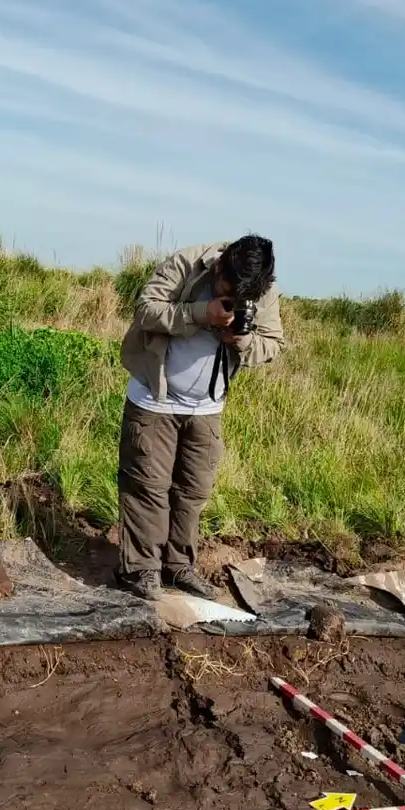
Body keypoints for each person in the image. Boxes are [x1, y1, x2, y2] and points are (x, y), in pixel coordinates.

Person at [115, 234, 284, 601]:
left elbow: (272, 344)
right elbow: (145, 310)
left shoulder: (262, 289)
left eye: (243, 298)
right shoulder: (187, 264)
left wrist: (239, 339)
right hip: (155, 399)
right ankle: (141, 570)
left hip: (207, 407)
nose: (233, 300)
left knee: (193, 492)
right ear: (220, 266)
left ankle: (178, 567)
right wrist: (200, 313)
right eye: (227, 291)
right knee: (148, 488)